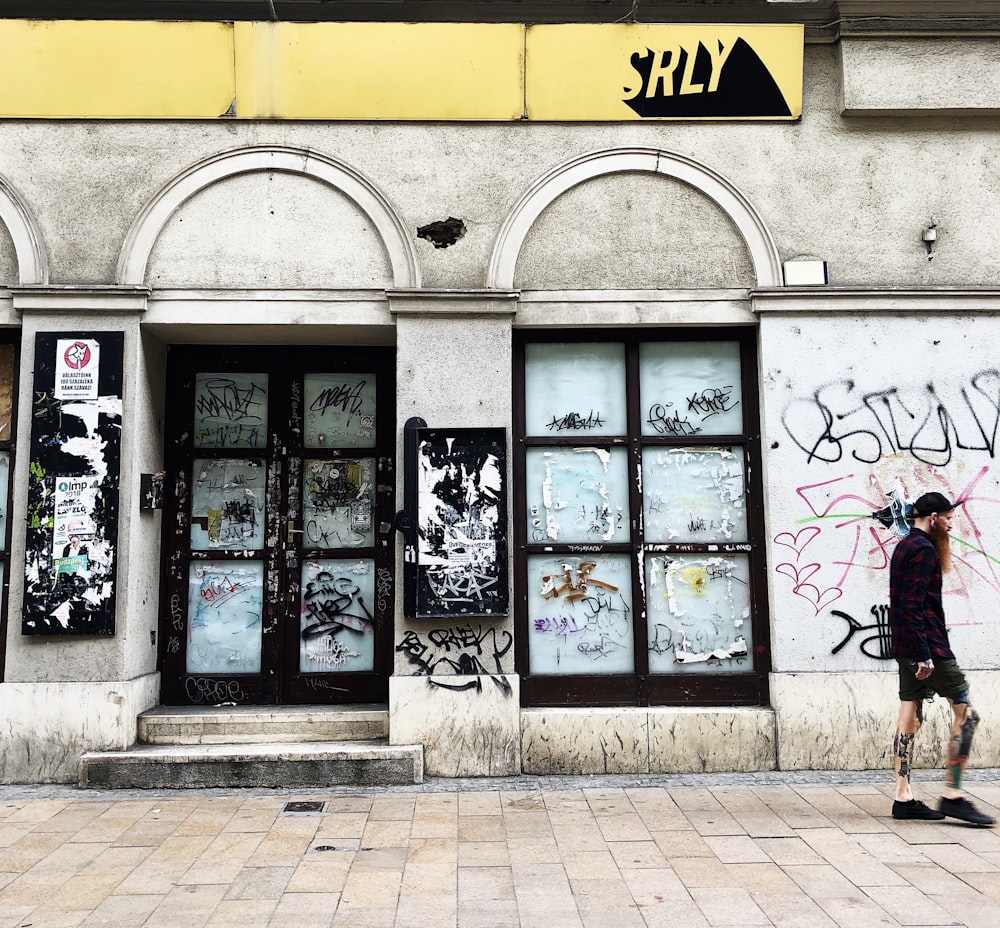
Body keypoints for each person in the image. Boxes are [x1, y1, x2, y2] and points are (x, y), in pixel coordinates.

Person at [889, 491, 995, 825]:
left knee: (910, 715)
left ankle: (903, 798)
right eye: (948, 518)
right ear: (933, 518)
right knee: (969, 714)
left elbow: (904, 606)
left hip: (906, 646)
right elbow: (913, 606)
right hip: (928, 648)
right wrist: (925, 655)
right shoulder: (923, 551)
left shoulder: (905, 545)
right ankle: (953, 794)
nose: (951, 524)